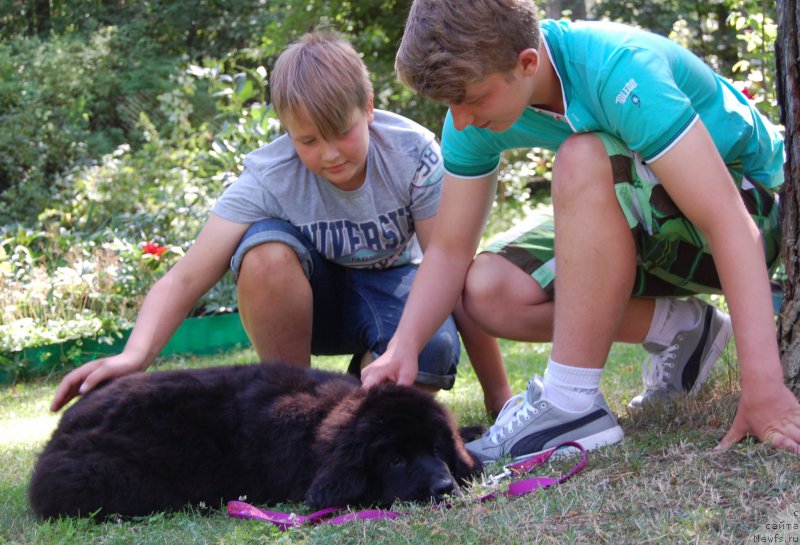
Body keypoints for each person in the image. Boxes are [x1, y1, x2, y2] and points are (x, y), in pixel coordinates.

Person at [361, 0, 800, 459]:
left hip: (758, 211)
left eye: (471, 99)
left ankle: (571, 403)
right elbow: (449, 250)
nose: (462, 120)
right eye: (452, 104)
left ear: (527, 63)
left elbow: (728, 221)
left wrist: (764, 387)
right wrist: (402, 346)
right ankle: (687, 330)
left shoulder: (617, 70)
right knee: (488, 290)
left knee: (582, 156)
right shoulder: (474, 112)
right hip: (655, 226)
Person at [50, 31, 506, 413]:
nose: (329, 154)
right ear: (286, 129)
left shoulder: (414, 155)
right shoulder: (269, 176)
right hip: (312, 305)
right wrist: (135, 355)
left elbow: (451, 269)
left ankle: (357, 397)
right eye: (307, 140)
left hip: (394, 291)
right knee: (263, 253)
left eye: (341, 133)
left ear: (367, 108)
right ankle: (294, 406)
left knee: (429, 352)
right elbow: (185, 277)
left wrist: (497, 394)